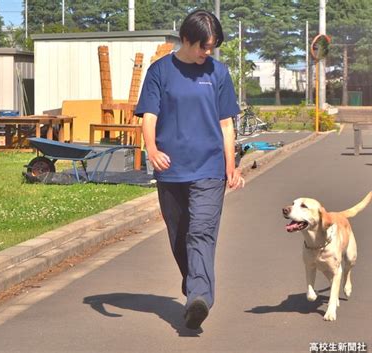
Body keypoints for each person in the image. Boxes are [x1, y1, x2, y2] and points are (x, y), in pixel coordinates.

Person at [135, 9, 244, 330]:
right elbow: (149, 116)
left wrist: (231, 166)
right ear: (186, 39)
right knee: (179, 236)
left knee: (201, 232)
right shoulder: (160, 71)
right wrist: (151, 149)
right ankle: (195, 282)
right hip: (171, 170)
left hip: (210, 169)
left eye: (212, 47)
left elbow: (226, 124)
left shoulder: (219, 73)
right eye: (202, 46)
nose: (207, 53)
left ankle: (199, 296)